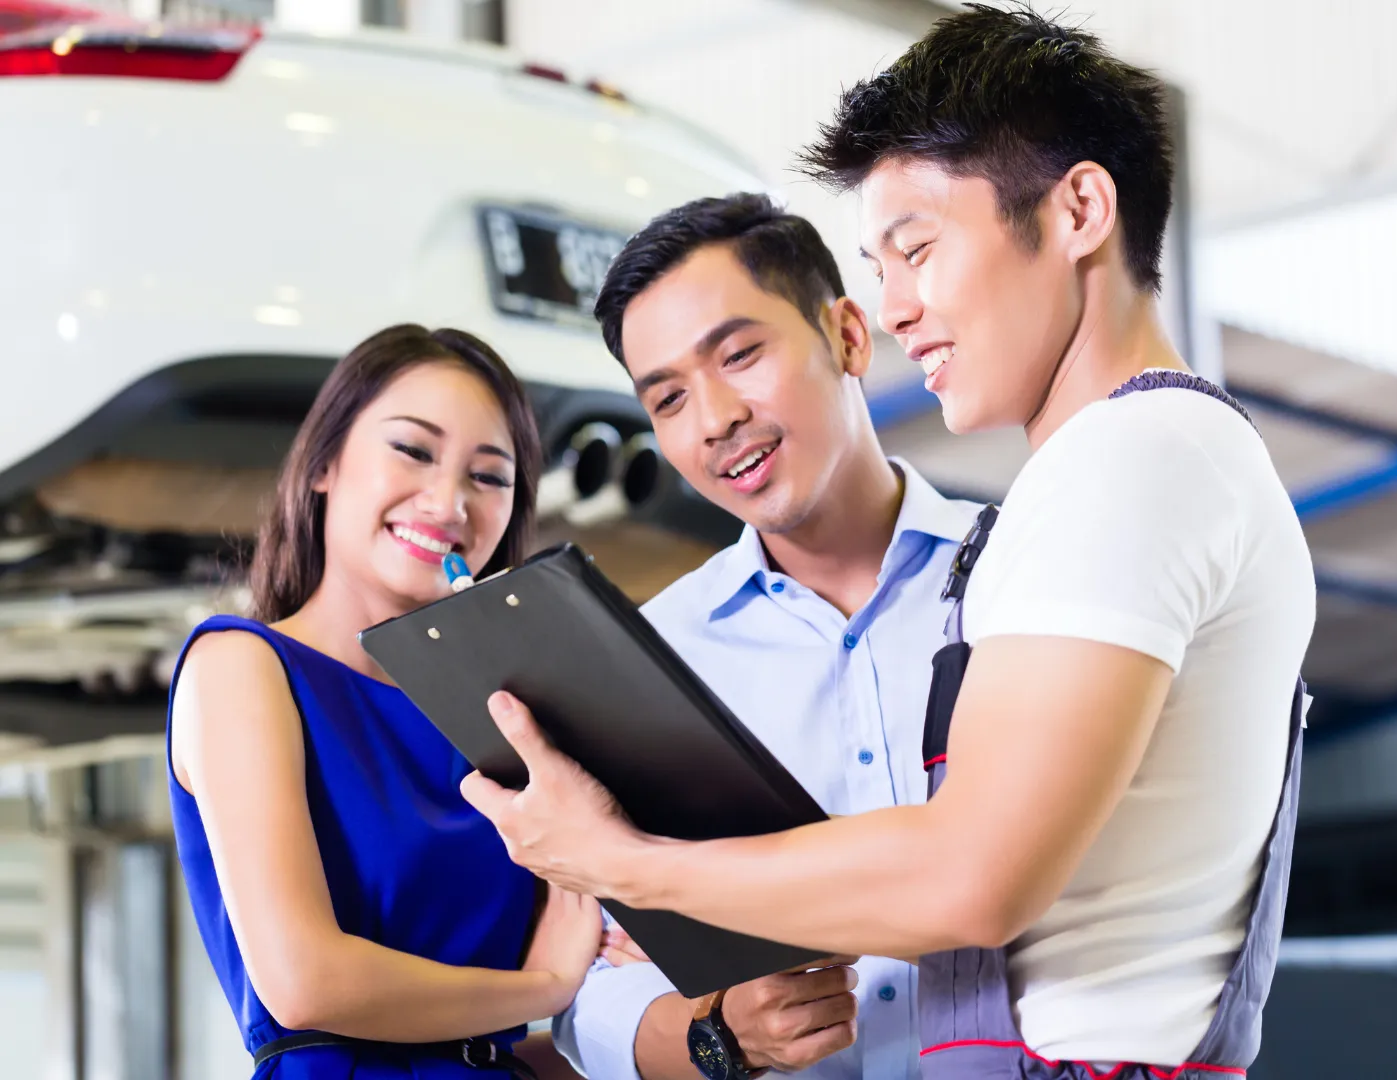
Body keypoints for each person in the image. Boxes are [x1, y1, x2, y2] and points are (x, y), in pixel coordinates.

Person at [462, 7, 1316, 1080]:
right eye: (667, 396)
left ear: (1081, 209)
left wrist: (629, 863)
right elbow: (601, 985)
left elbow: (971, 875)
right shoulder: (1123, 468)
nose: (901, 304)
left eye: (917, 248)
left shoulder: (1129, 462)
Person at [550, 193, 981, 1079]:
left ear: (849, 337)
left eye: (739, 354)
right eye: (666, 397)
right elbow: (588, 979)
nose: (713, 420)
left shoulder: (1024, 581)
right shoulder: (652, 658)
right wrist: (718, 1033)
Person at [167, 325, 602, 1079]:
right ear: (325, 463)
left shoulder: (509, 716)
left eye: (490, 476)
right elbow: (305, 983)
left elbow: (498, 1039)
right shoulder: (242, 664)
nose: (449, 501)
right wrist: (543, 987)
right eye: (413, 450)